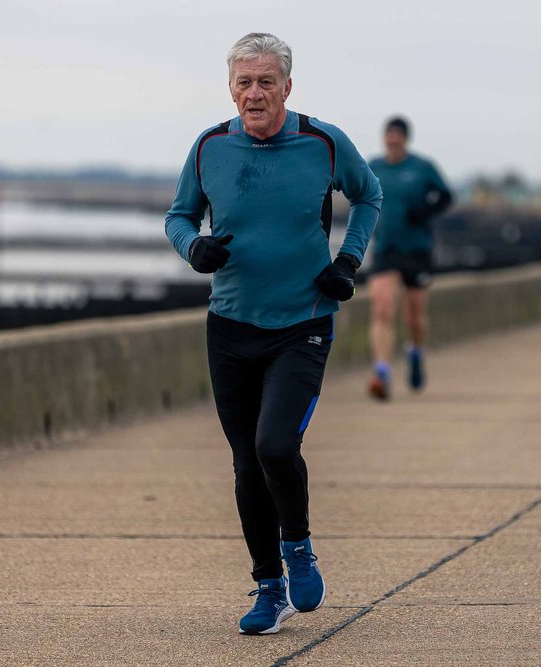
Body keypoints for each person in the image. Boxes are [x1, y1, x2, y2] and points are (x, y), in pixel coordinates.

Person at [165, 32, 382, 635]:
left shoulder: (323, 142)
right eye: (244, 82)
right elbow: (178, 215)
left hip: (302, 323)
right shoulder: (210, 147)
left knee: (276, 448)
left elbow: (369, 196)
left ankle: (299, 548)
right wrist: (194, 248)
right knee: (244, 463)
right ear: (230, 88)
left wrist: (348, 261)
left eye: (266, 82)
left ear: (288, 86)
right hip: (229, 327)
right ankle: (269, 587)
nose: (254, 93)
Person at [366, 117, 453, 399]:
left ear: (405, 139)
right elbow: (360, 195)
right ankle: (381, 372)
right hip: (385, 248)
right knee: (382, 309)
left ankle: (415, 352)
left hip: (416, 249)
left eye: (397, 136)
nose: (392, 140)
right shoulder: (374, 167)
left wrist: (424, 212)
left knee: (414, 315)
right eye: (388, 136)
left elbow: (445, 196)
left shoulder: (422, 168)